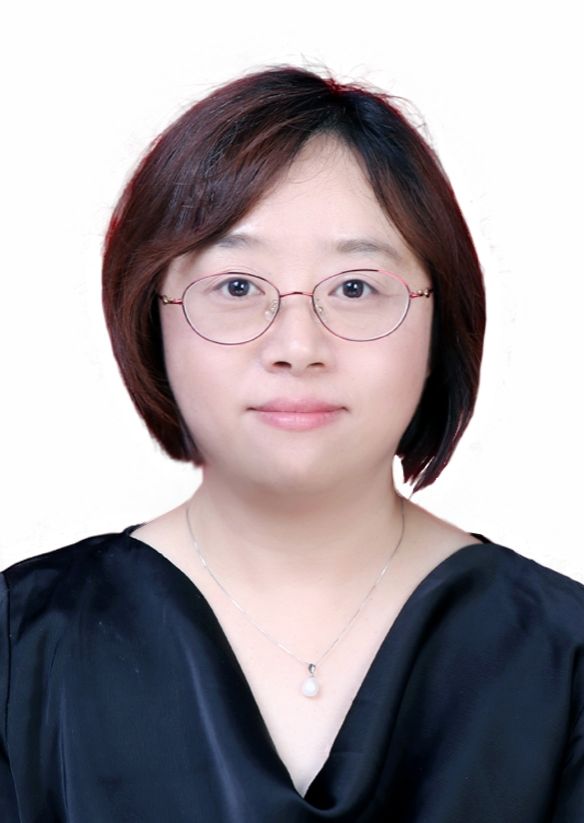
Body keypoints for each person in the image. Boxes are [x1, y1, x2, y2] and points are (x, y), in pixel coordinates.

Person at [1, 65, 582, 822]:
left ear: (441, 320)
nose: (297, 347)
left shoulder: (564, 655)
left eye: (355, 287)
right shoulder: (24, 645)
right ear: (151, 316)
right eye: (237, 287)